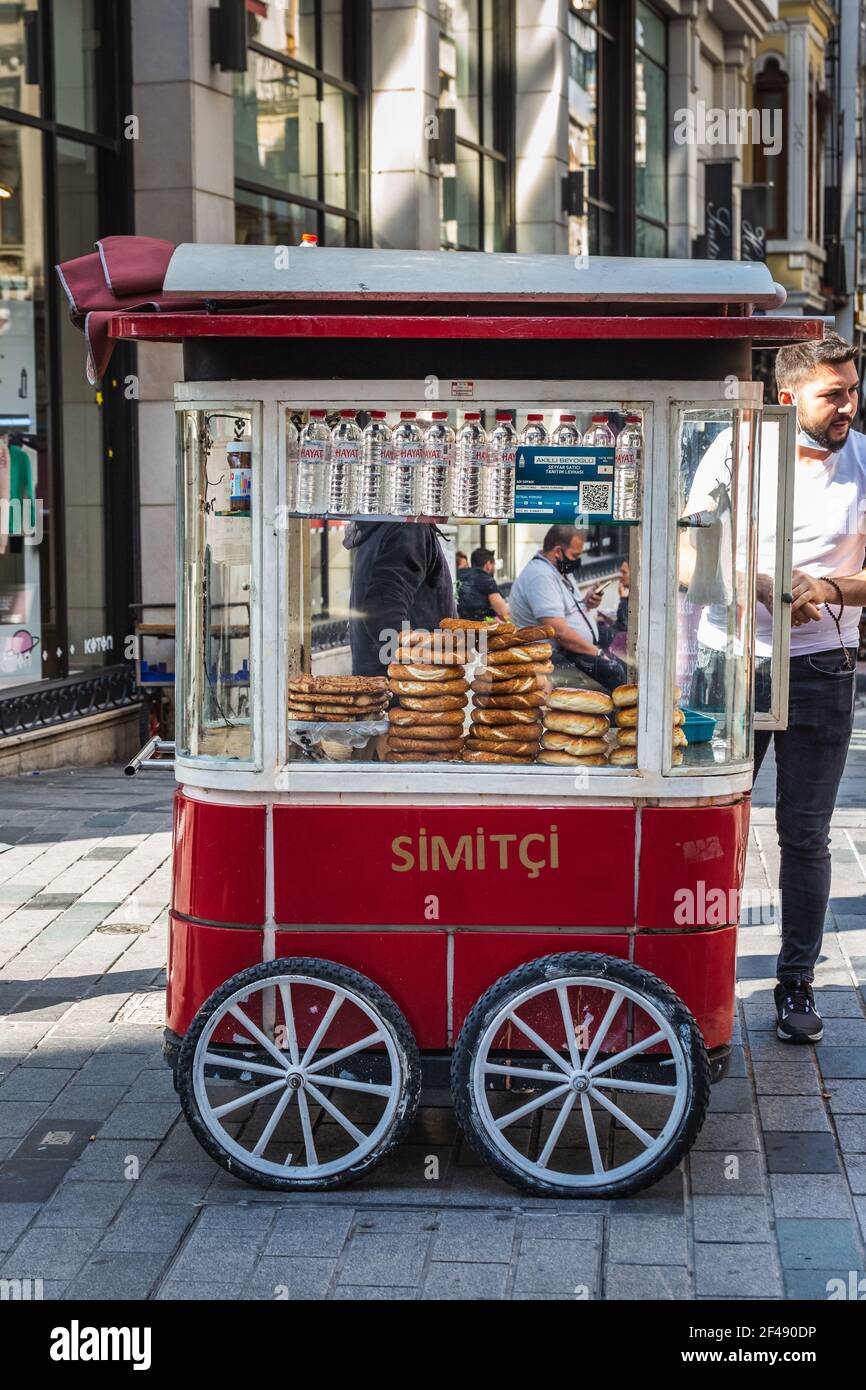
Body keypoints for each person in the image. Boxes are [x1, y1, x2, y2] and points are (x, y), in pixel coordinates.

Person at [687, 332, 866, 1043]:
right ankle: (695, 969)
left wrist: (823, 585)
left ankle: (795, 985)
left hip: (823, 664)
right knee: (707, 826)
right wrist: (760, 583)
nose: (849, 405)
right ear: (788, 398)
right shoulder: (734, 450)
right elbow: (684, 562)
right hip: (731, 660)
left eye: (853, 389)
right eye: (835, 393)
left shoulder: (865, 459)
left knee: (805, 834)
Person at [508, 524, 627, 691]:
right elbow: (559, 632)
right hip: (553, 660)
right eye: (575, 555)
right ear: (557, 551)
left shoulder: (560, 570)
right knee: (606, 689)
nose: (577, 560)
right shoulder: (540, 577)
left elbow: (566, 612)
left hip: (572, 653)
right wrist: (598, 653)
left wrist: (587, 602)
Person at [345, 520, 456, 676]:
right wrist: (420, 671)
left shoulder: (390, 528)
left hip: (387, 683)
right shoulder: (411, 528)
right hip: (404, 689)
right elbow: (382, 608)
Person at [456, 546, 510, 623]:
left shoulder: (459, 576)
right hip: (481, 630)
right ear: (488, 565)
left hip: (458, 627)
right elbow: (503, 611)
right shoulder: (486, 579)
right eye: (493, 564)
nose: (494, 568)